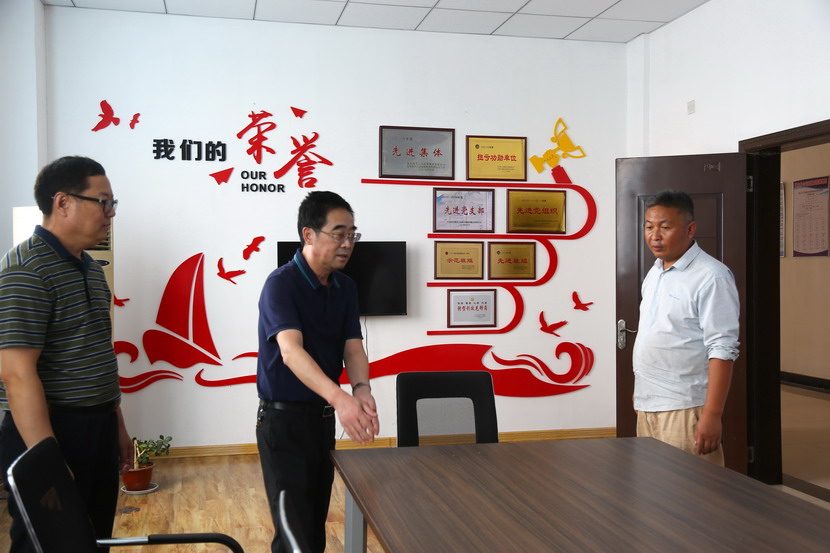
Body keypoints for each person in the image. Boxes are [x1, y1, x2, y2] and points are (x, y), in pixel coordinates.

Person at [0, 156, 133, 552]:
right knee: (47, 542)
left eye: (112, 204)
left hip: (97, 427)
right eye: (103, 202)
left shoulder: (90, 268)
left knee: (93, 538)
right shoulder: (27, 270)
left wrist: (117, 426)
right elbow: (16, 374)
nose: (111, 213)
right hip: (50, 431)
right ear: (63, 203)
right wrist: (49, 462)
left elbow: (97, 353)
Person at [256, 190, 379, 553]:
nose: (347, 244)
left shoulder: (345, 287)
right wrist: (340, 397)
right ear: (308, 234)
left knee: (313, 530)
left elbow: (352, 346)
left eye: (352, 235)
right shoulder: (281, 284)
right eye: (338, 234)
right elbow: (291, 352)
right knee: (294, 538)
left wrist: (361, 389)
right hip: (284, 425)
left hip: (320, 423)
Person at [632, 190, 740, 465]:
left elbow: (723, 349)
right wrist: (642, 388)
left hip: (685, 406)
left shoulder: (711, 276)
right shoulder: (655, 272)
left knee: (692, 488)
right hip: (648, 402)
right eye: (649, 227)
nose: (655, 236)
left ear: (690, 229)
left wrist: (712, 415)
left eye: (665, 227)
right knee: (651, 485)